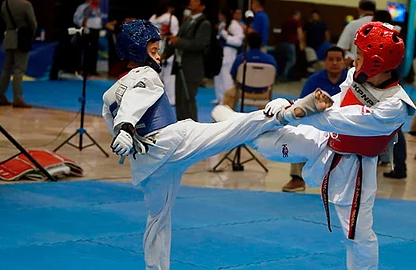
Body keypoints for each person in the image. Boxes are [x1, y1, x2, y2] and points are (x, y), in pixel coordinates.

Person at [213, 22, 416, 269]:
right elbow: (338, 103)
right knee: (268, 144)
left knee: (358, 236)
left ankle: (238, 123)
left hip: (356, 167)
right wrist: (294, 104)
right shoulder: (356, 75)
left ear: (376, 62)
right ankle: (237, 123)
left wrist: (293, 109)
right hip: (327, 140)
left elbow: (340, 120)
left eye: (360, 56)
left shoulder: (394, 106)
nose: (353, 61)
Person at [101, 19, 290, 270]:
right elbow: (134, 100)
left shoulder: (110, 94)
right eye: (154, 51)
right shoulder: (145, 75)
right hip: (173, 142)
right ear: (137, 50)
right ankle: (282, 113)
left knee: (158, 219)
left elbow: (120, 114)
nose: (158, 57)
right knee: (232, 130)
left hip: (148, 164)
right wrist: (125, 126)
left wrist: (123, 131)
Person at [283, 46, 348, 192]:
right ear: (325, 62)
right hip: (317, 122)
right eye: (331, 59)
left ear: (344, 62)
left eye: (338, 59)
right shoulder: (314, 80)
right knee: (298, 133)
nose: (335, 63)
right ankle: (297, 178)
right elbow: (302, 104)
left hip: (342, 123)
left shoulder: (350, 81)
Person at [166, 0, 211, 121]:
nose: (191, 2)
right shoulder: (187, 21)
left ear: (202, 6)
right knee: (180, 100)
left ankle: (192, 127)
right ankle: (181, 125)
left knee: (188, 98)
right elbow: (177, 40)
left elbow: (200, 44)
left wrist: (179, 42)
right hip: (180, 66)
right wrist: (165, 54)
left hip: (192, 67)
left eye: (195, 1)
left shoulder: (204, 23)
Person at [222, 32, 277, 109]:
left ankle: (226, 118)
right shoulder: (270, 60)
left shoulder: (241, 58)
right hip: (263, 94)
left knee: (229, 93)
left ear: (247, 43)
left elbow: (234, 76)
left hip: (242, 92)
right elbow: (273, 77)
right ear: (261, 43)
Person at [0, 0, 37, 108]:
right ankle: (18, 98)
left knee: (6, 68)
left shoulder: (4, 3)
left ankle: (1, 96)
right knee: (19, 69)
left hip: (9, 36)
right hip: (22, 37)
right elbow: (33, 23)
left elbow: (4, 19)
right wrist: (30, 35)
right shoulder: (26, 4)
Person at [149, 5, 179, 105]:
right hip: (166, 48)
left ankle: (153, 98)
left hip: (154, 48)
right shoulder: (171, 18)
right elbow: (174, 36)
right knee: (168, 77)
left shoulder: (153, 18)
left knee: (154, 75)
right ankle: (171, 99)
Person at [213, 8, 244, 104]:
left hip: (229, 52)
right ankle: (220, 98)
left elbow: (239, 41)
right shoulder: (222, 24)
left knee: (226, 77)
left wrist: (226, 36)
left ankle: (228, 100)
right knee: (218, 75)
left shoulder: (235, 25)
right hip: (220, 52)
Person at [337, 0, 375, 65]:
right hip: (377, 67)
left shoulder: (353, 24)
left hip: (356, 65)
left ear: (359, 9)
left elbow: (341, 48)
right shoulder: (382, 25)